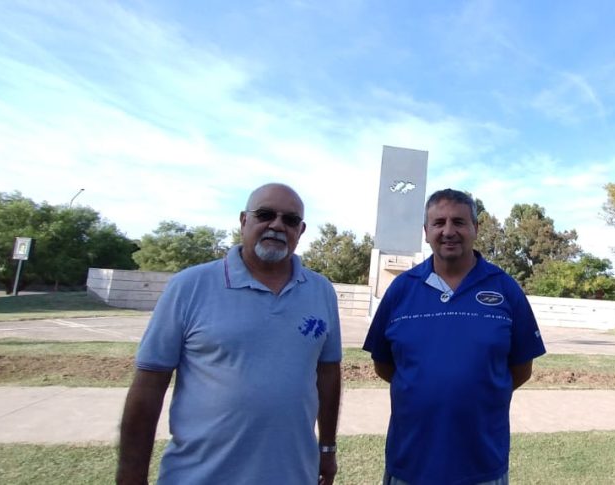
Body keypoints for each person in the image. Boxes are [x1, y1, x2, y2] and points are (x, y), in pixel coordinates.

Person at [117, 183, 342, 485]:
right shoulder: (189, 286)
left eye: (289, 220)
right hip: (200, 476)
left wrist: (327, 448)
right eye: (265, 214)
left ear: (300, 230)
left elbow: (328, 374)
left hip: (294, 474)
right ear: (243, 220)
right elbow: (148, 387)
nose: (276, 225)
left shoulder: (321, 290)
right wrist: (131, 475)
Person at [363, 188, 546, 485]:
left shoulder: (505, 289)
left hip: (482, 465)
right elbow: (384, 365)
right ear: (426, 232)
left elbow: (521, 369)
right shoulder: (401, 290)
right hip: (409, 464)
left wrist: (479, 390)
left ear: (476, 228)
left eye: (459, 222)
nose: (449, 231)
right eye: (439, 223)